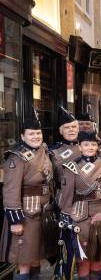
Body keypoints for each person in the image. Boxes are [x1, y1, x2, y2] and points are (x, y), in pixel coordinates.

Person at [60, 131, 101, 279]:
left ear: (98, 146)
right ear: (80, 147)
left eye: (93, 144)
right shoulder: (72, 167)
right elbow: (66, 198)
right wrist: (68, 220)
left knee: (99, 257)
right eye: (86, 144)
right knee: (83, 259)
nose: (90, 147)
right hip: (81, 218)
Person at [0, 114, 53, 280]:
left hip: (42, 213)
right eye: (31, 134)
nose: (35, 137)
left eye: (38, 133)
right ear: (22, 136)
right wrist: (15, 220)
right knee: (24, 261)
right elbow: (10, 190)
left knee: (36, 257)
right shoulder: (16, 157)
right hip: (26, 215)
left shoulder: (43, 150)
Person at [50, 106, 81, 206]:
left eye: (74, 127)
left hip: (85, 197)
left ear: (78, 129)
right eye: (67, 127)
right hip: (63, 198)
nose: (71, 130)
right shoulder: (54, 152)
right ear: (60, 131)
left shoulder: (88, 147)